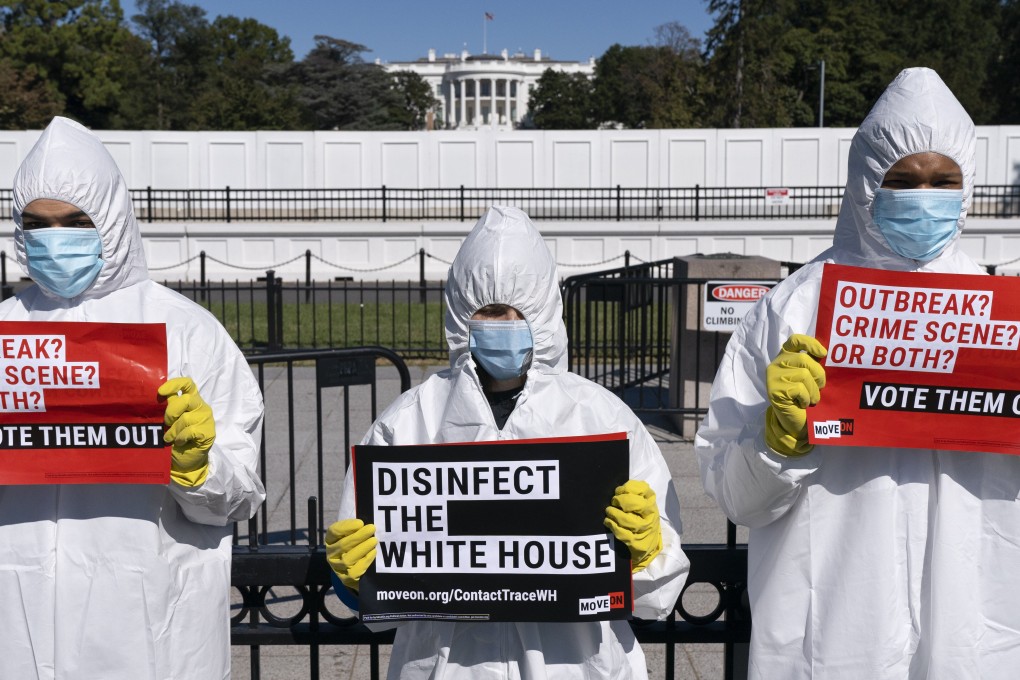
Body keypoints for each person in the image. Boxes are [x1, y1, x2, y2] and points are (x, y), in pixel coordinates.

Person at [695, 66, 1020, 679]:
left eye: (943, 180)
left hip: (971, 636)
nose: (925, 196)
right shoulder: (792, 310)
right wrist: (774, 444)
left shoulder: (1005, 320)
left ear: (967, 186)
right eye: (904, 179)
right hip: (830, 639)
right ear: (867, 181)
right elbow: (734, 496)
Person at [326, 206, 689, 679]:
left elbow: (662, 585)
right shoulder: (409, 421)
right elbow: (372, 585)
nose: (502, 324)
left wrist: (646, 551)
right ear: (461, 315)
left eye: (516, 311)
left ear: (542, 314)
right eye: (487, 312)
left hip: (577, 666)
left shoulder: (599, 416)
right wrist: (354, 579)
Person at [0, 117, 266, 678]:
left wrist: (198, 466)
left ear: (112, 220)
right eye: (38, 225)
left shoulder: (187, 331)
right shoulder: (5, 330)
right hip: (14, 623)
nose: (55, 239)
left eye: (76, 221)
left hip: (149, 626)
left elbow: (239, 495)